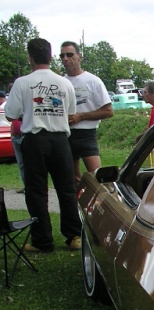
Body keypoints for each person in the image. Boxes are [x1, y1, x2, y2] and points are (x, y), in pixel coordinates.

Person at [4, 38, 82, 253]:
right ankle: (74, 235)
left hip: (35, 140)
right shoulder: (65, 83)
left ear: (30, 57)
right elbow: (71, 113)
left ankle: (42, 241)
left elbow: (10, 115)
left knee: (36, 191)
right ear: (50, 56)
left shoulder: (22, 82)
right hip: (59, 140)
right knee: (66, 189)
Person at [60, 41, 113, 185]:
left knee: (98, 178)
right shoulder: (60, 82)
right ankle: (76, 206)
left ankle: (101, 205)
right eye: (62, 56)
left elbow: (108, 111)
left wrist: (81, 116)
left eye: (69, 54)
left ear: (79, 57)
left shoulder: (93, 81)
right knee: (72, 180)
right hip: (65, 134)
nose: (65, 58)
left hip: (86, 134)